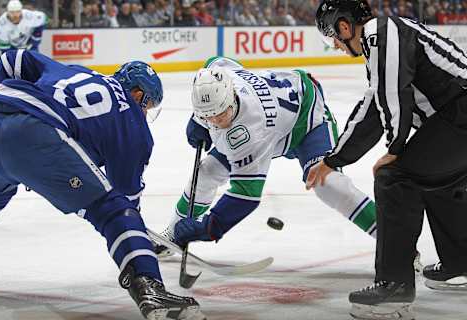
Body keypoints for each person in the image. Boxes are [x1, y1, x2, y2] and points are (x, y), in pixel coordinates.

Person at [0, 49, 204, 320]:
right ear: (139, 95)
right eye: (148, 105)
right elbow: (125, 204)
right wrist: (135, 233)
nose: (146, 112)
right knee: (112, 209)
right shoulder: (135, 126)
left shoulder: (79, 71)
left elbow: (13, 59)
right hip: (36, 134)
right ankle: (149, 286)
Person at [311, 0, 467, 318]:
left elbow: (394, 94)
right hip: (458, 118)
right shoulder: (383, 42)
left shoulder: (382, 32)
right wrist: (334, 159)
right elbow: (372, 107)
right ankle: (459, 263)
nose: (337, 47)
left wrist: (394, 149)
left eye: (333, 39)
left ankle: (394, 286)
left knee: (395, 177)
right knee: (433, 177)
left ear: (344, 26)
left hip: (461, 114)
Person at [156, 56, 378, 258]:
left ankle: (393, 242)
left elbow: (246, 195)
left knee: (328, 184)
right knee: (207, 172)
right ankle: (173, 232)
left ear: (231, 98)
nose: (215, 122)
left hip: (309, 121)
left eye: (220, 114)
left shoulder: (252, 129)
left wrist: (209, 228)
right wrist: (198, 120)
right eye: (207, 116)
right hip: (280, 112)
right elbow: (215, 60)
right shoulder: (220, 76)